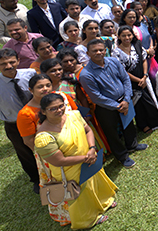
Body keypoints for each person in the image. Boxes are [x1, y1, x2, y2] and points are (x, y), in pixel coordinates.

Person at [34, 93, 117, 228]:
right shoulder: (43, 137)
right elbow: (58, 160)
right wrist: (86, 158)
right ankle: (88, 220)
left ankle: (104, 202)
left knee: (95, 182)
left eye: (61, 106)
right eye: (53, 109)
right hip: (70, 170)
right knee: (80, 195)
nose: (59, 110)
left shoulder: (74, 116)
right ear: (43, 111)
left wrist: (91, 148)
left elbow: (88, 130)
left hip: (89, 159)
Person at [78, 39, 147, 168]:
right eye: (95, 51)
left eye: (101, 50)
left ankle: (132, 145)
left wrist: (126, 100)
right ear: (88, 53)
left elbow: (125, 79)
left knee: (129, 123)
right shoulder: (86, 74)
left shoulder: (113, 61)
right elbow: (96, 97)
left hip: (124, 100)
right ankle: (122, 156)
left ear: (106, 50)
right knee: (112, 133)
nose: (99, 52)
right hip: (105, 108)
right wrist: (117, 106)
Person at [0, 49, 40, 192]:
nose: (8, 66)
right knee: (24, 152)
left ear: (18, 61)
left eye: (12, 62)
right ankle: (36, 179)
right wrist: (9, 116)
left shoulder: (30, 74)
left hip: (38, 119)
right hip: (14, 125)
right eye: (3, 64)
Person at [113, 26, 158, 133]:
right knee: (138, 105)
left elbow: (144, 59)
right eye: (123, 35)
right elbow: (122, 71)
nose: (127, 37)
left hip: (143, 78)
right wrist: (138, 80)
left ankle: (155, 121)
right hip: (130, 82)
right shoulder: (116, 52)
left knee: (149, 100)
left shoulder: (137, 45)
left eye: (129, 35)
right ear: (119, 37)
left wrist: (144, 76)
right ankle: (142, 125)